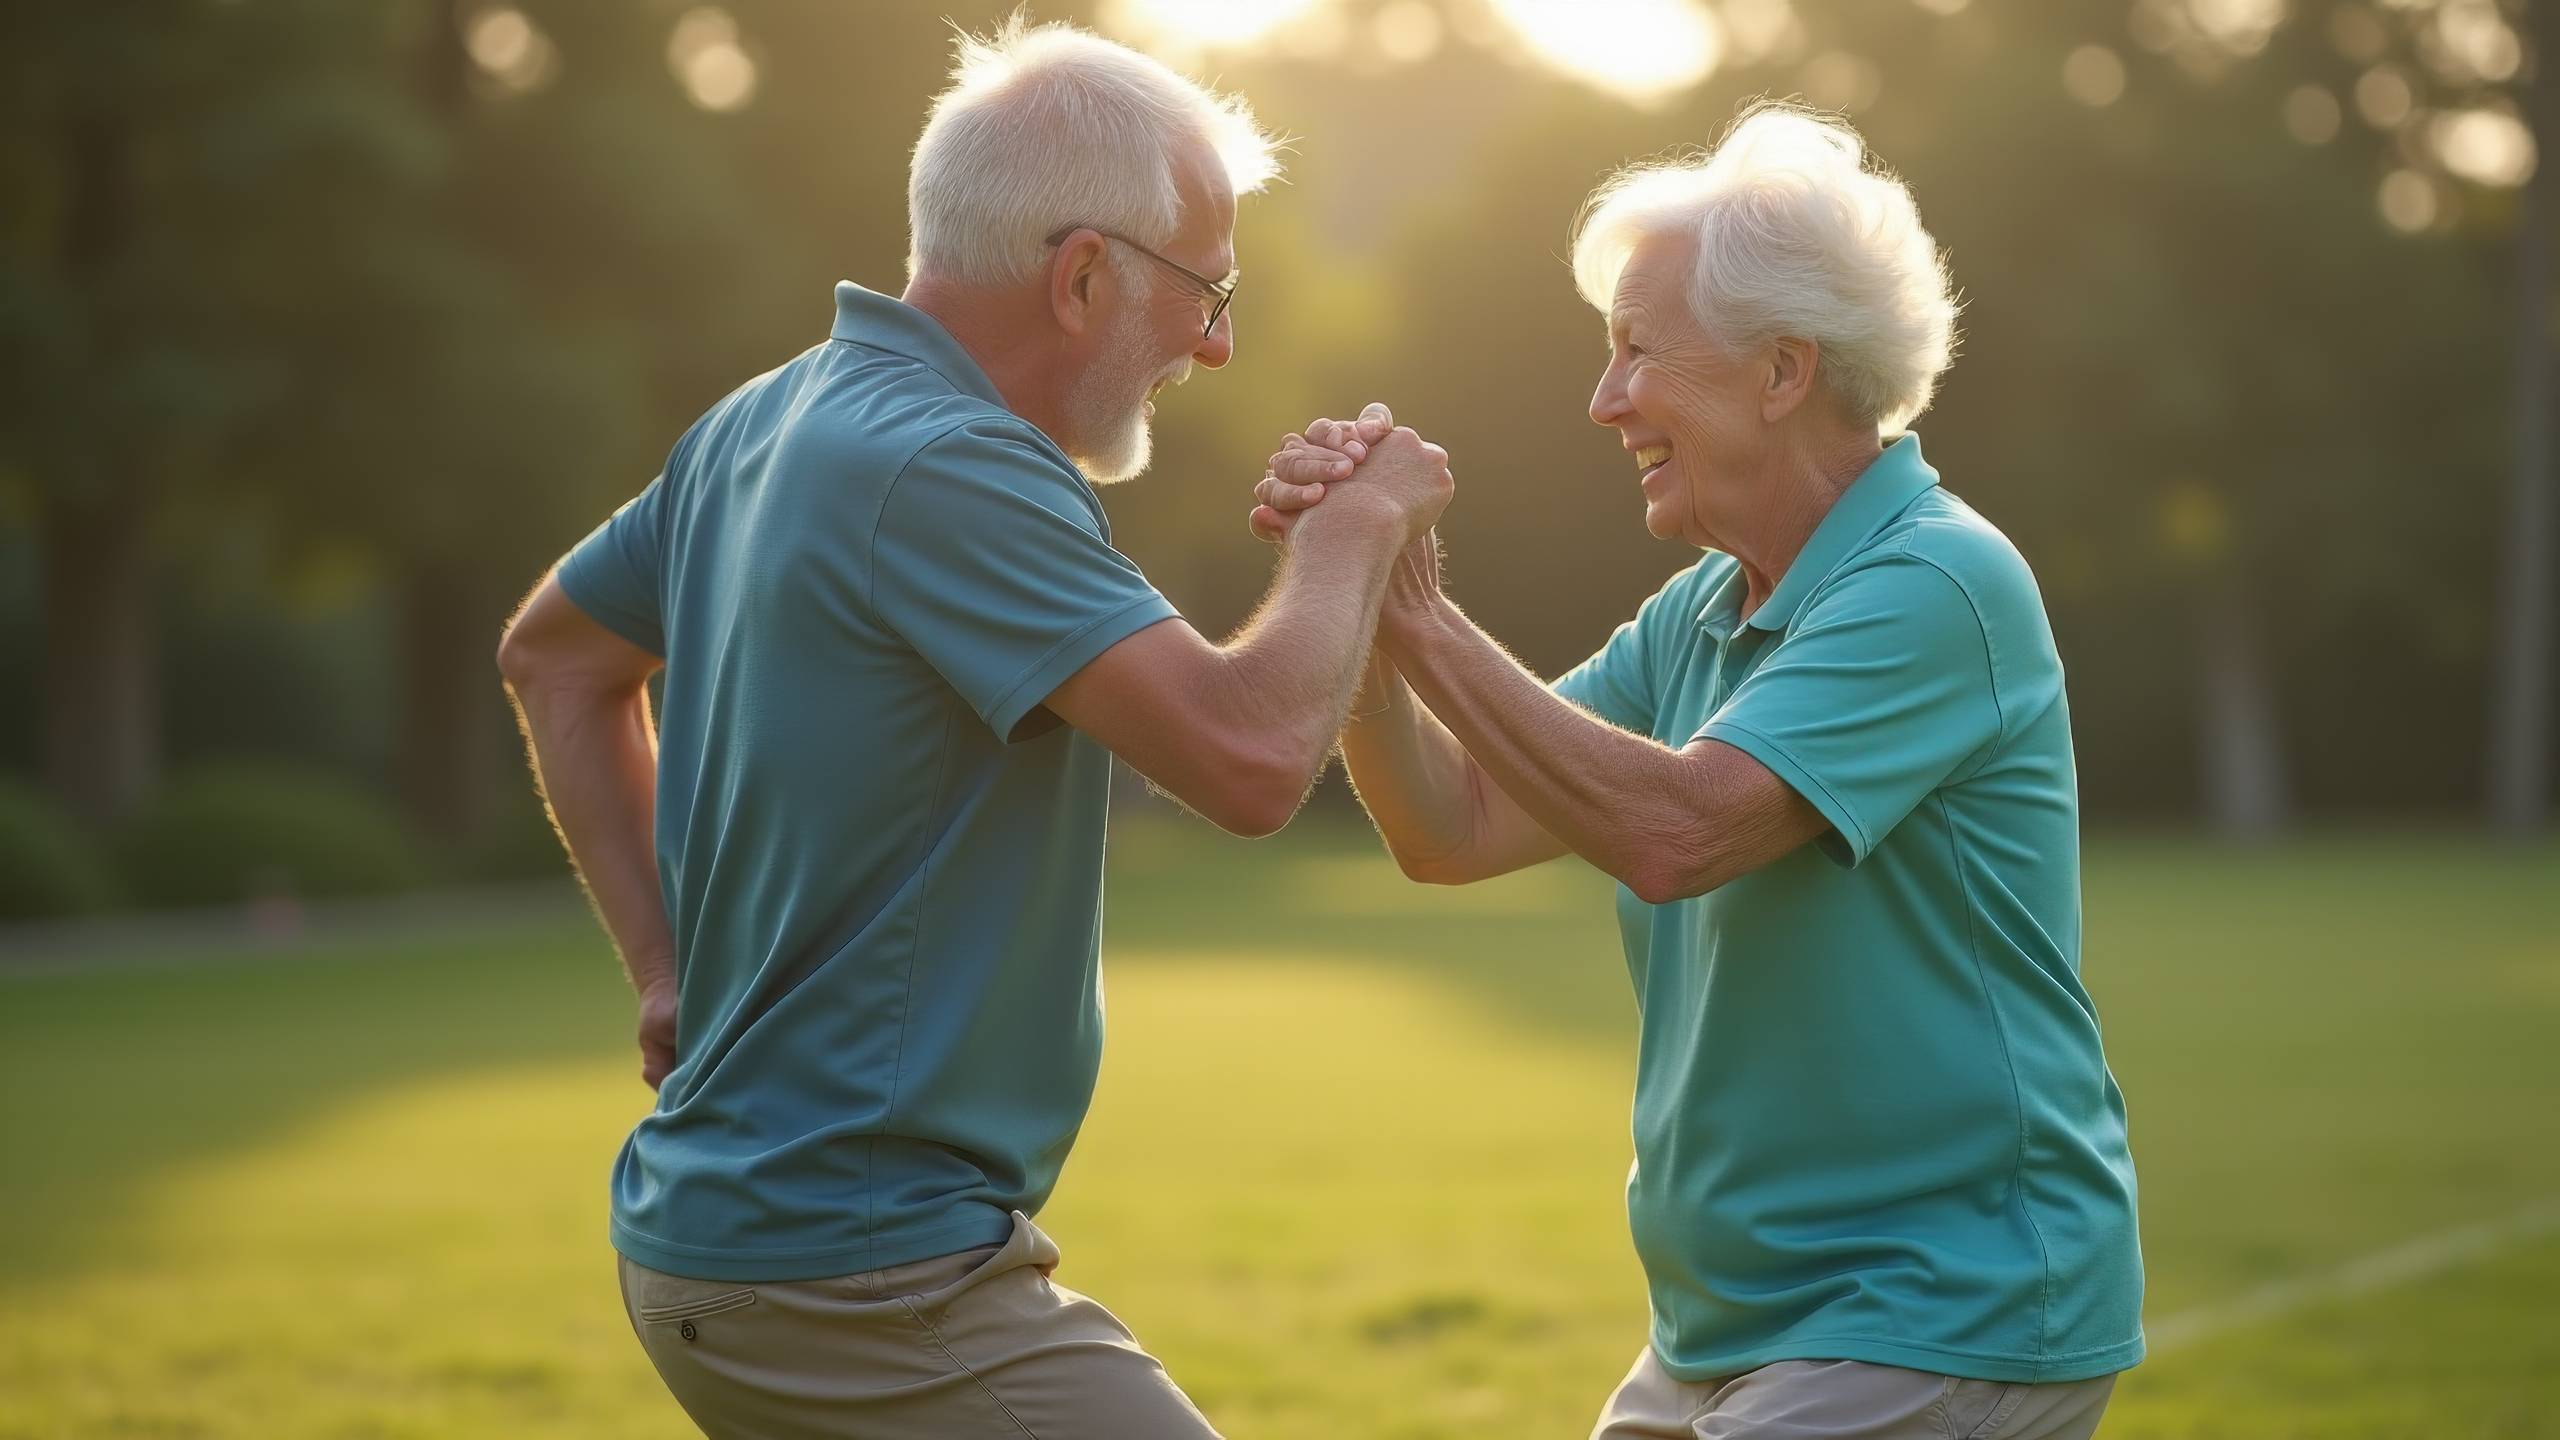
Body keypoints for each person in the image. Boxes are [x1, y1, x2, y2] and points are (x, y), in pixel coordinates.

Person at [495, 18, 1447, 1438]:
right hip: (860, 1281)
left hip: (752, 1247)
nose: (1221, 338)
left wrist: (659, 967)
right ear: (1082, 275)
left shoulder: (767, 418)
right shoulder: (952, 465)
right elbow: (1251, 763)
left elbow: (550, 659)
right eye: (1207, 289)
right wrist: (1354, 529)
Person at [1255, 106, 2143, 1440]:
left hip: (1940, 1311)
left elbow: (1679, 830)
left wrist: (1422, 612)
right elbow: (1454, 825)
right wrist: (1370, 609)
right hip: (1733, 1332)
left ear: (1783, 371)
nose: (1606, 400)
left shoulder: (1937, 582)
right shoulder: (1704, 613)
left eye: (1636, 354)